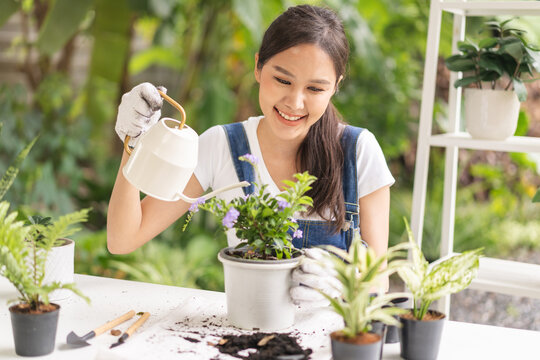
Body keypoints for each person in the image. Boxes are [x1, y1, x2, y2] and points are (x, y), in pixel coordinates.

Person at [107, 4, 395, 303]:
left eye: (315, 89)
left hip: (333, 344)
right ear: (258, 67)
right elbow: (124, 239)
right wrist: (132, 144)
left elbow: (378, 280)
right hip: (245, 335)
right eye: (283, 80)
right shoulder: (220, 145)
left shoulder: (358, 150)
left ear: (335, 86)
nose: (295, 103)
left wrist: (344, 283)